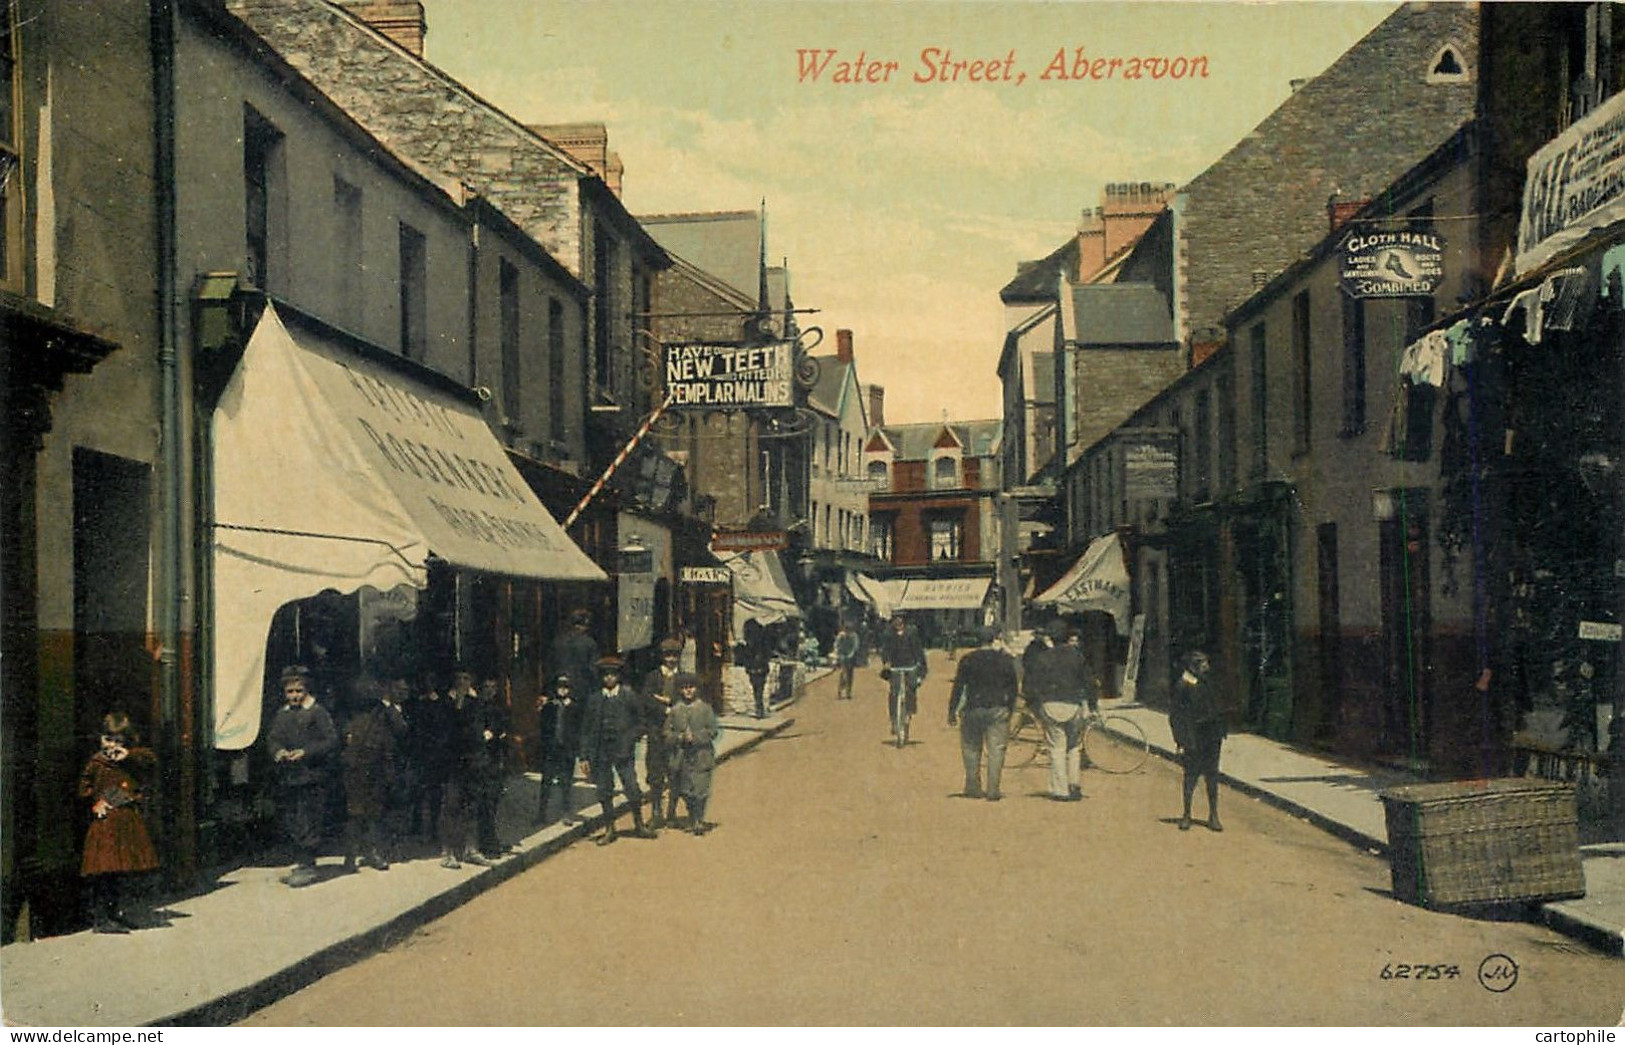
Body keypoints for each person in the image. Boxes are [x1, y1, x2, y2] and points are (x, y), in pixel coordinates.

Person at [78, 712, 159, 933]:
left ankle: (114, 914)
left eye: (118, 741)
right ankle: (101, 918)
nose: (112, 745)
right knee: (104, 871)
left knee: (119, 871)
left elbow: (150, 759)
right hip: (105, 824)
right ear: (100, 738)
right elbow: (84, 789)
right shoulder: (97, 763)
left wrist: (129, 755)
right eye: (108, 738)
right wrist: (94, 804)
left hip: (124, 821)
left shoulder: (129, 759)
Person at [266, 665, 339, 886]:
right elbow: (273, 738)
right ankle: (301, 861)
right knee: (293, 820)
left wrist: (306, 752)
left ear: (306, 690)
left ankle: (309, 866)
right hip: (290, 777)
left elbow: (331, 741)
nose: (295, 696)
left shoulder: (317, 712)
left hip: (312, 776)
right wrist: (278, 751)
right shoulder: (283, 714)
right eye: (290, 692)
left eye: (299, 691)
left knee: (309, 820)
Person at [578, 655, 656, 844]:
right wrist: (584, 756)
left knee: (632, 787)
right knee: (604, 790)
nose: (609, 678)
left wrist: (631, 737)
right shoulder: (594, 699)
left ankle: (639, 824)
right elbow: (586, 730)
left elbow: (641, 722)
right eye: (605, 675)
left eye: (613, 674)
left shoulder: (629, 696)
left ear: (619, 676)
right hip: (601, 751)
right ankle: (609, 829)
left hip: (623, 750)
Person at [1023, 622, 1097, 801]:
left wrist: (1033, 705)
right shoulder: (1077, 656)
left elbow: (1030, 684)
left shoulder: (1043, 658)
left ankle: (1060, 789)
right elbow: (1089, 682)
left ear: (1051, 639)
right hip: (1074, 705)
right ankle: (1075, 784)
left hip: (1050, 704)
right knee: (1074, 747)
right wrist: (1092, 705)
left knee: (1056, 747)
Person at [340, 677, 408, 872]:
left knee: (375, 812)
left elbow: (401, 729)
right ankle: (351, 855)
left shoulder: (384, 712)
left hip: (378, 766)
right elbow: (342, 730)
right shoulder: (351, 715)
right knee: (355, 812)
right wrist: (348, 738)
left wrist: (387, 706)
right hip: (356, 765)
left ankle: (372, 852)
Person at [947, 636, 1020, 801]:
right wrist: (1010, 707)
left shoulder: (968, 659)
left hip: (974, 707)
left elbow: (959, 686)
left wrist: (952, 711)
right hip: (998, 708)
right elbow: (1013, 687)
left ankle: (973, 787)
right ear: (995, 640)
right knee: (996, 750)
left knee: (971, 748)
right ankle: (993, 789)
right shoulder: (1005, 660)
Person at [1170, 650, 1227, 832]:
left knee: (1212, 776)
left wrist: (1221, 729)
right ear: (1194, 666)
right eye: (1203, 664)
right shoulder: (1183, 685)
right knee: (1191, 776)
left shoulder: (1208, 682)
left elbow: (1217, 705)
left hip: (1212, 735)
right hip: (1194, 735)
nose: (1207, 667)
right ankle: (1186, 814)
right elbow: (1176, 716)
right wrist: (1181, 740)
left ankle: (1213, 815)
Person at [664, 672, 719, 835]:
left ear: (697, 689)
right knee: (686, 790)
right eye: (684, 688)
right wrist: (680, 737)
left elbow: (713, 731)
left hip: (702, 756)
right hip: (682, 758)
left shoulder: (705, 708)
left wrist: (695, 737)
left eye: (691, 687)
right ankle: (692, 816)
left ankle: (698, 820)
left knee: (700, 789)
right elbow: (666, 733)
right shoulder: (675, 710)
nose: (688, 691)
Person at [639, 638, 683, 830]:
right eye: (667, 655)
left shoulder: (684, 679)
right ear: (662, 657)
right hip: (656, 732)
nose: (671, 659)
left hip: (677, 734)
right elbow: (646, 700)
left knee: (675, 772)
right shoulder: (652, 677)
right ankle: (656, 812)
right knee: (655, 772)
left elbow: (688, 701)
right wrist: (663, 707)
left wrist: (667, 701)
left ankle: (671, 812)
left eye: (674, 656)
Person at [472, 675, 512, 858]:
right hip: (481, 760)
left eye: (493, 687)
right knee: (484, 803)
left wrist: (496, 734)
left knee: (493, 801)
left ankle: (491, 840)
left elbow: (503, 729)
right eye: (486, 687)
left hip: (495, 760)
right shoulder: (475, 707)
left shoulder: (498, 708)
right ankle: (487, 844)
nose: (490, 690)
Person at [534, 673, 583, 826]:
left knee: (566, 783)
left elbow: (578, 730)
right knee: (546, 782)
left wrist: (578, 751)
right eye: (560, 687)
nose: (562, 690)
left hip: (566, 751)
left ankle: (566, 813)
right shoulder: (549, 706)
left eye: (565, 687)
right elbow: (544, 729)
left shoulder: (574, 708)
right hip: (551, 750)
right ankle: (542, 814)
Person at [877, 615, 927, 743]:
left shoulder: (912, 633)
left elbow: (918, 650)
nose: (897, 622)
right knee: (894, 693)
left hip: (910, 666)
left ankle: (909, 714)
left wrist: (920, 666)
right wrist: (886, 662)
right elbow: (885, 650)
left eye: (900, 619)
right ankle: (894, 720)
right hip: (895, 667)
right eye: (895, 619)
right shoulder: (888, 634)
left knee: (911, 689)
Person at [549, 608, 601, 701]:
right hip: (582, 688)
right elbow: (594, 669)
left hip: (559, 686)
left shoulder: (557, 642)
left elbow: (551, 667)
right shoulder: (589, 643)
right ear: (585, 624)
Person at [739, 618, 774, 719]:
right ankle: (759, 708)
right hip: (760, 668)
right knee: (759, 689)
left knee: (756, 688)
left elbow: (746, 656)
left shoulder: (750, 644)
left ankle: (759, 708)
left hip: (754, 668)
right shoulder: (762, 642)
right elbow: (767, 653)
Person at [832, 620, 860, 700]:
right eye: (846, 629)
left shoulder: (854, 636)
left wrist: (850, 654)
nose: (847, 631)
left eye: (849, 629)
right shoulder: (841, 636)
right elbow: (836, 645)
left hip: (851, 658)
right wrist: (838, 653)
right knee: (843, 673)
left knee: (850, 674)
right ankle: (840, 690)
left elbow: (855, 647)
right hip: (842, 656)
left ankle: (848, 692)